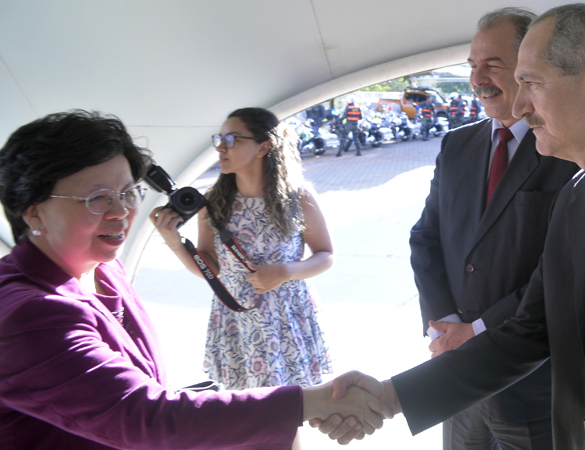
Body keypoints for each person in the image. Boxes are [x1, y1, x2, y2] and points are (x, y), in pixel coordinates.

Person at [325, 3, 585, 449]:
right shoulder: (573, 202)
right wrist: (389, 397)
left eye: (531, 83)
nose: (520, 103)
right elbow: (527, 332)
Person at [0, 110, 390, 449]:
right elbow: (145, 416)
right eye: (97, 198)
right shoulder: (27, 316)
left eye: (128, 192)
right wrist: (314, 403)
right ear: (33, 214)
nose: (121, 212)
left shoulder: (101, 268)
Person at [410, 8, 579, 450]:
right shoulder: (456, 144)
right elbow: (426, 238)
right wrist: (446, 326)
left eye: (493, 65)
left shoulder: (567, 150)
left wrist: (480, 330)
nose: (478, 78)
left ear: (528, 69)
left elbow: (561, 269)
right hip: (457, 376)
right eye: (472, 66)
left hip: (531, 386)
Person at [152, 107, 335, 447]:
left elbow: (326, 255)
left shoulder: (299, 197)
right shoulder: (214, 201)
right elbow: (211, 268)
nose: (220, 147)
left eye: (230, 139)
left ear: (264, 147)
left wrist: (284, 272)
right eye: (218, 139)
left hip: (285, 318)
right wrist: (175, 243)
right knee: (247, 416)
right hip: (236, 320)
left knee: (287, 416)